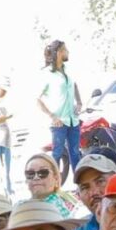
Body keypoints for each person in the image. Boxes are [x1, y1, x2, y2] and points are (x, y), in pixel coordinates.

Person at [38, 40, 82, 183]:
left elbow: (74, 85)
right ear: (58, 53)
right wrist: (52, 116)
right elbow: (37, 100)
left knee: (75, 153)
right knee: (56, 155)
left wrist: (79, 101)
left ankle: (80, 185)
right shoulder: (46, 74)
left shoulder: (68, 70)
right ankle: (53, 187)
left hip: (73, 120)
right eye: (65, 49)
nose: (68, 52)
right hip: (58, 122)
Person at [22, 152, 82, 217]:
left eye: (43, 172)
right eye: (30, 173)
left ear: (56, 179)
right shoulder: (23, 206)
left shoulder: (55, 209)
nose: (36, 177)